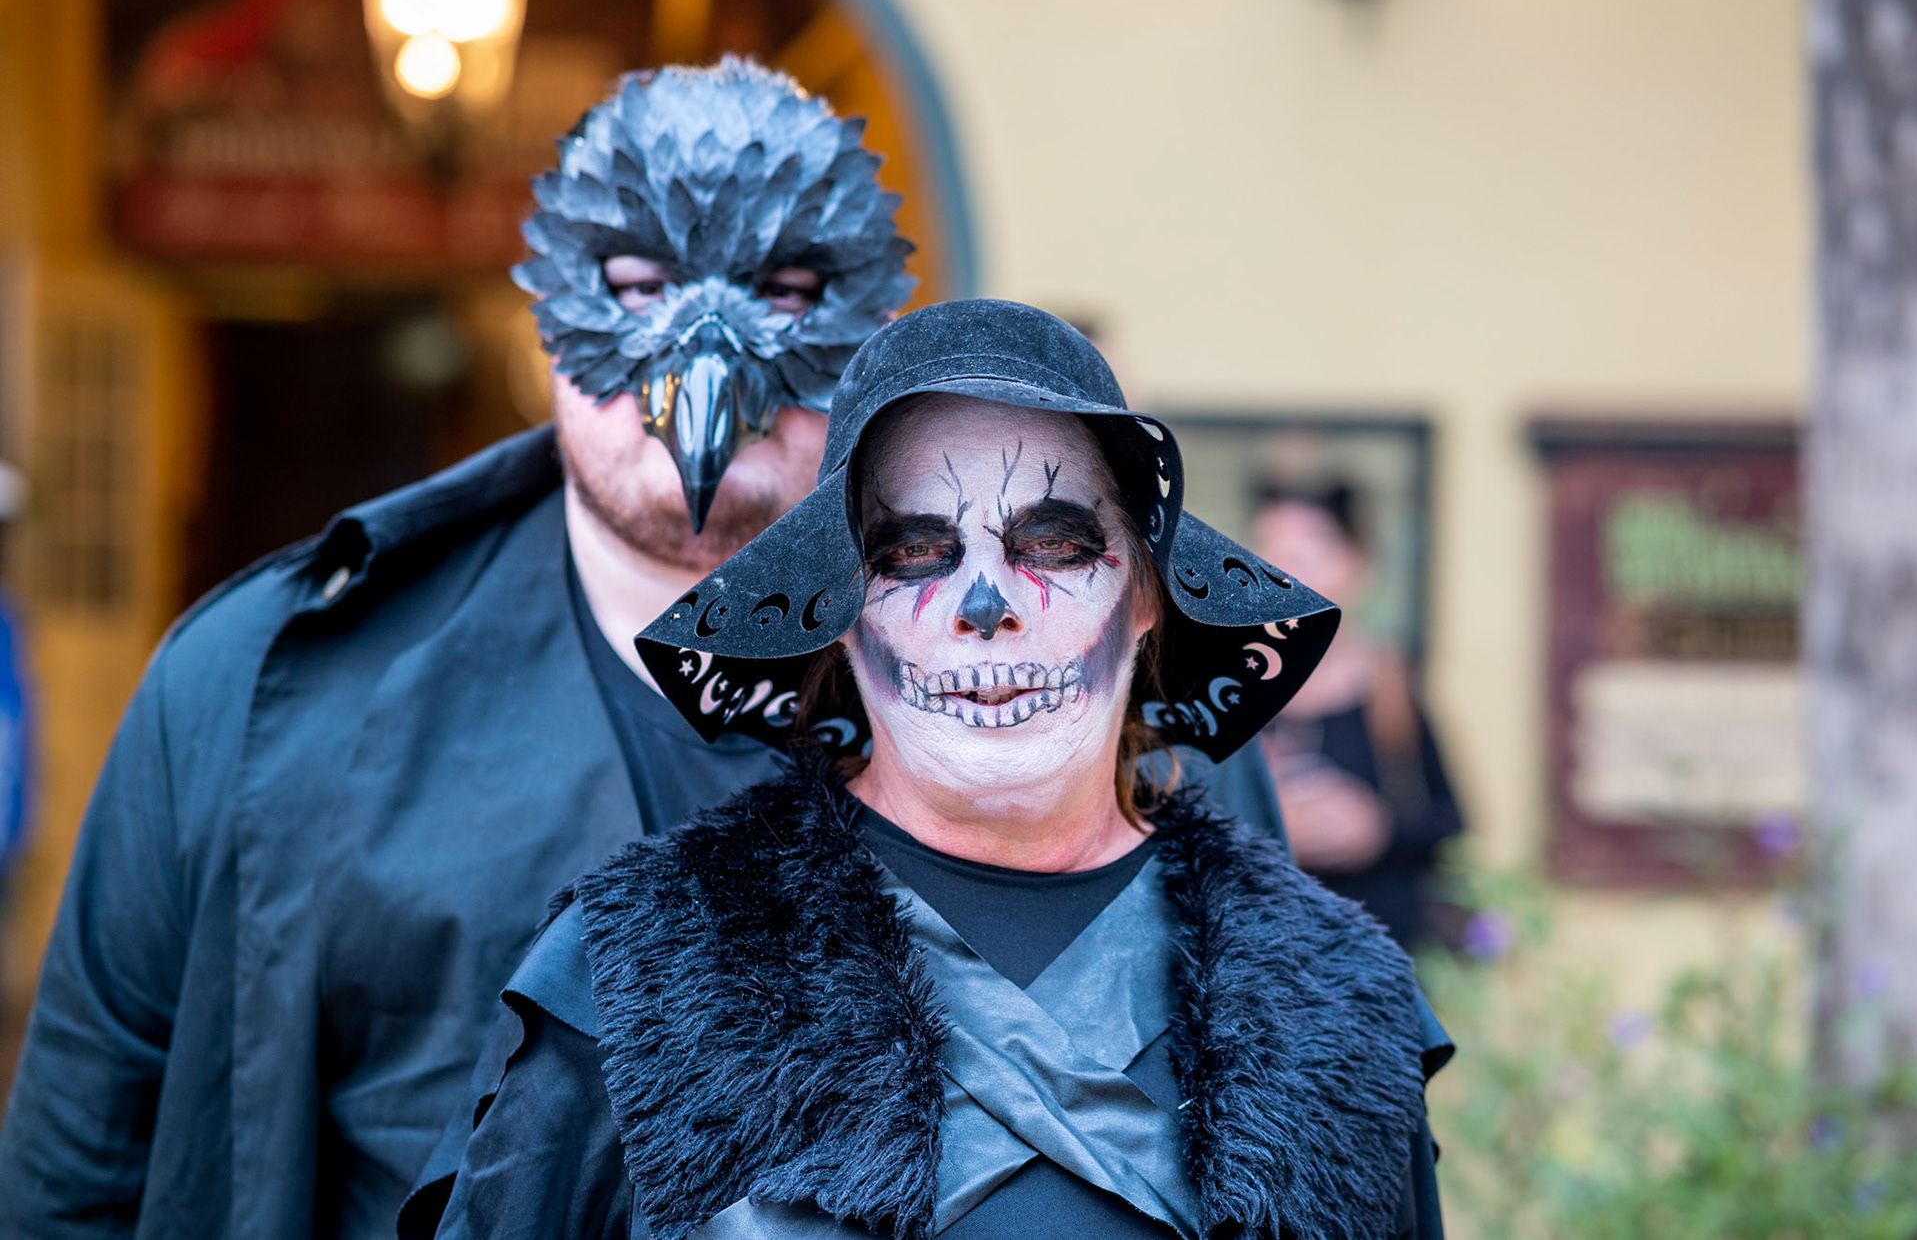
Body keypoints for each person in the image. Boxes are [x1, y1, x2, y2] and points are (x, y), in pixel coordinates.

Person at [0, 63, 1285, 1240]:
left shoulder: (1120, 710)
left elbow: (1295, 1133)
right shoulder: (258, 692)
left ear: (868, 315)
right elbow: (78, 1177)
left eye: (788, 291)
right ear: (552, 304)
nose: (704, 368)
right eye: (634, 286)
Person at [417, 300, 1451, 1240]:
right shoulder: (640, 966)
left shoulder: (1339, 1005)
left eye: (1054, 542)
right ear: (838, 615)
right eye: (913, 553)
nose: (986, 605)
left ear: (1145, 594)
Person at [1250, 481, 1463, 949]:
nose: (1275, 576)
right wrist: (1268, 828)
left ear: (1354, 565)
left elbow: (1451, 826)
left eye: (1299, 557)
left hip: (1375, 956)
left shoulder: (1391, 692)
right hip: (1259, 958)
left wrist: (1379, 830)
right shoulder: (1223, 693)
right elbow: (1164, 826)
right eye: (1262, 555)